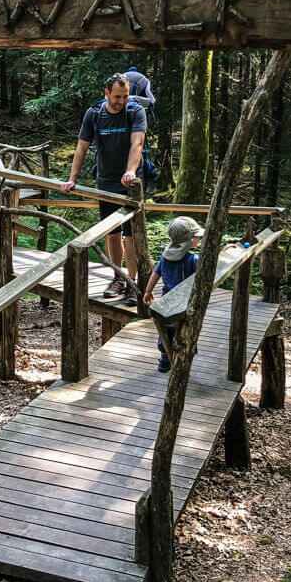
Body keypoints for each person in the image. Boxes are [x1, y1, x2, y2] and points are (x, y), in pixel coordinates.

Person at [62, 73, 147, 306]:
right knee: (112, 233)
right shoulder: (94, 115)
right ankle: (117, 278)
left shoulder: (135, 112)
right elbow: (81, 147)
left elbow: (137, 143)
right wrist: (72, 179)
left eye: (126, 96)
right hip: (105, 181)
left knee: (131, 234)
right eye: (118, 96)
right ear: (107, 93)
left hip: (131, 185)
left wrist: (130, 171)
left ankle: (132, 282)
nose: (122, 101)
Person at [143, 216, 203, 372]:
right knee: (185, 332)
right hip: (184, 305)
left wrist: (148, 291)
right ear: (189, 240)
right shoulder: (193, 259)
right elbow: (204, 277)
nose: (198, 239)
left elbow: (155, 274)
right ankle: (182, 361)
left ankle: (164, 359)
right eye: (196, 237)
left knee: (166, 330)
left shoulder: (165, 256)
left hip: (166, 302)